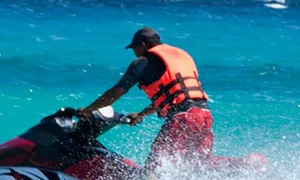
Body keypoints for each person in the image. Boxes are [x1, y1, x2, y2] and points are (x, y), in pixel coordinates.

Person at [80, 27, 261, 170]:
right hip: (204, 115)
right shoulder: (180, 55)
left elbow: (117, 91)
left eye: (134, 48)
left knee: (155, 163)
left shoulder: (143, 62)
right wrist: (143, 114)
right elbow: (174, 95)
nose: (134, 52)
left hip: (183, 118)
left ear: (142, 45)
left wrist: (88, 110)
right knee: (198, 166)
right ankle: (244, 164)